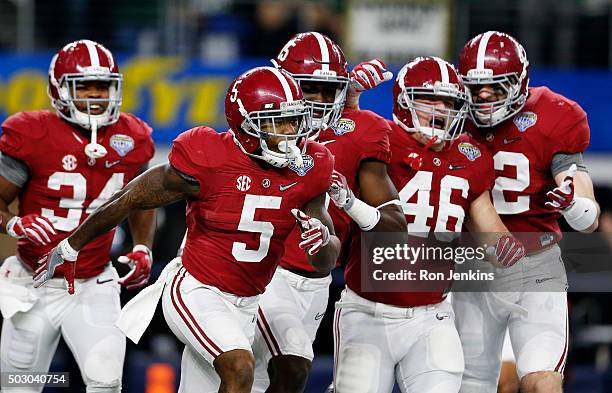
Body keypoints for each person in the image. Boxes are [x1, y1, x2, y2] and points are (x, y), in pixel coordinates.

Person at [34, 66, 341, 393]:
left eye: (293, 120)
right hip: (197, 288)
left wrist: (322, 242)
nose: (289, 133)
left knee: (280, 372)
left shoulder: (312, 164)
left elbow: (325, 261)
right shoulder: (209, 157)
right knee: (240, 368)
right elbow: (129, 198)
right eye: (276, 122)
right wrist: (70, 247)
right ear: (246, 126)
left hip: (251, 299)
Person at [329, 56, 526, 393]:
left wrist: (515, 256)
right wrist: (350, 100)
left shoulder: (470, 157)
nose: (440, 109)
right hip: (367, 311)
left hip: (432, 315)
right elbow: (331, 135)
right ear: (405, 101)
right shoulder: (381, 138)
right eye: (428, 99)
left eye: (449, 102)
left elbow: (494, 238)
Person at [251, 32, 406, 393]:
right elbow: (294, 151)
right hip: (263, 270)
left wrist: (349, 105)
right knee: (287, 366)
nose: (320, 101)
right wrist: (348, 100)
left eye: (329, 90)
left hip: (318, 278)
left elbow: (393, 222)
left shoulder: (364, 130)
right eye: (310, 89)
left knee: (268, 380)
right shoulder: (263, 122)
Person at [0, 39, 156, 393]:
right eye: (83, 85)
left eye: (103, 86)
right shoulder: (31, 133)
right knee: (18, 386)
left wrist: (143, 246)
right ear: (59, 89)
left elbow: (142, 201)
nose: (95, 95)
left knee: (106, 381)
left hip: (93, 282)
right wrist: (14, 223)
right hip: (33, 281)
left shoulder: (132, 138)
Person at [453, 31, 600, 393]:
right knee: (491, 384)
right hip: (472, 266)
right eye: (476, 88)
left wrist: (573, 204)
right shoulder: (451, 116)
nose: (484, 99)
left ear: (520, 84)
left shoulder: (555, 116)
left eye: (496, 88)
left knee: (542, 384)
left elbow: (589, 216)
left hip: (536, 267)